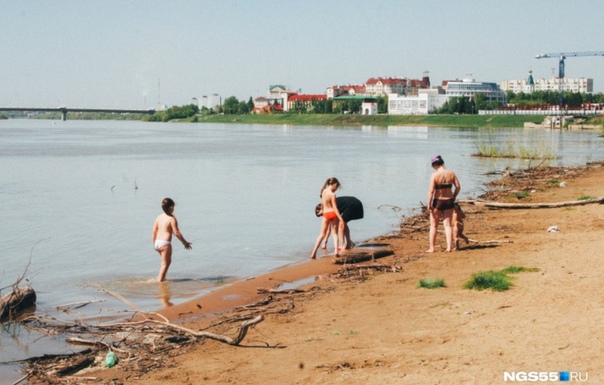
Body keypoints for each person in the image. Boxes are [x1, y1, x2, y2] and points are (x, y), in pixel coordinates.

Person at [152, 198, 192, 282]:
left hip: (157, 243)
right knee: (165, 264)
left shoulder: (158, 217)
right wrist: (185, 243)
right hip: (165, 243)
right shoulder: (172, 219)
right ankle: (160, 282)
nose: (173, 209)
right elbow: (176, 233)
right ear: (170, 207)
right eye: (173, 207)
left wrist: (154, 244)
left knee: (167, 262)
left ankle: (161, 278)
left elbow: (154, 231)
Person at [427, 155, 461, 252]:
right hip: (449, 200)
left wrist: (428, 203)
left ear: (434, 165)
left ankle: (432, 248)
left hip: (438, 201)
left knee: (433, 225)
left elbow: (431, 191)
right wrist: (454, 196)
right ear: (442, 163)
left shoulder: (434, 175)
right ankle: (449, 247)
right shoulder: (451, 173)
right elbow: (458, 187)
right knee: (447, 225)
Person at [310, 177, 343, 259]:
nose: (336, 189)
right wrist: (341, 218)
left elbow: (322, 203)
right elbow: (335, 208)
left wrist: (322, 211)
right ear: (335, 185)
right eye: (337, 187)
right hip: (333, 213)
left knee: (321, 234)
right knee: (335, 234)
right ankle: (336, 251)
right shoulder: (333, 195)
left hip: (326, 214)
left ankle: (314, 253)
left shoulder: (323, 191)